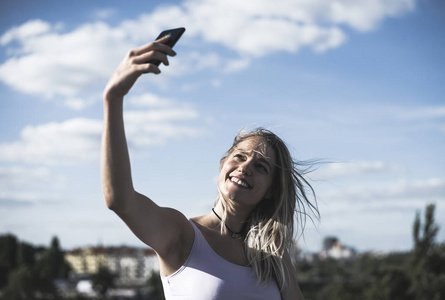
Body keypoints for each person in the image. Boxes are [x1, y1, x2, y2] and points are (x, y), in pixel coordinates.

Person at [101, 34, 318, 300]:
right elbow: (120, 200)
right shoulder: (183, 234)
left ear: (270, 190)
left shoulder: (272, 254)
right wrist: (113, 98)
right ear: (222, 165)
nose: (246, 166)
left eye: (261, 167)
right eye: (239, 156)